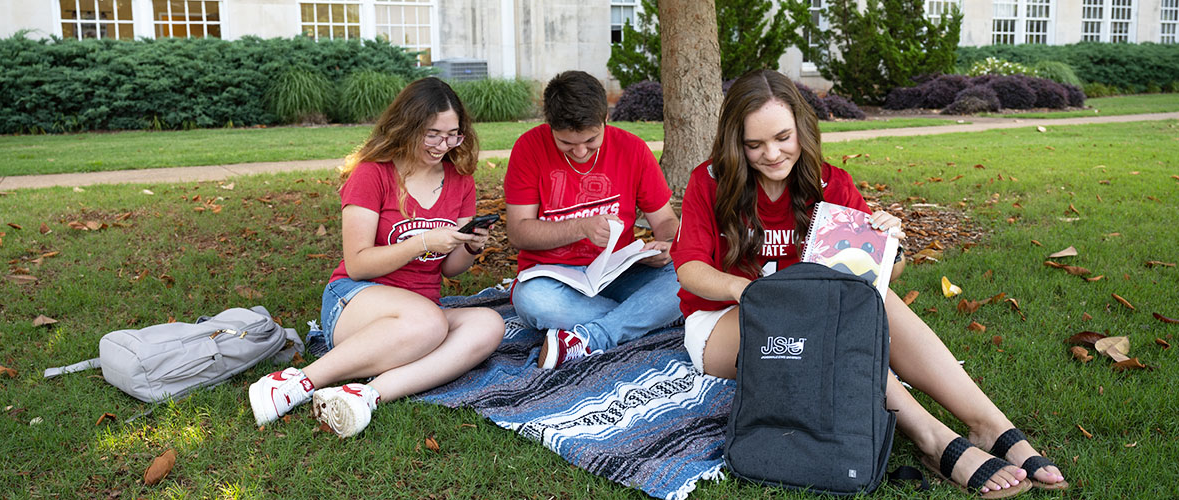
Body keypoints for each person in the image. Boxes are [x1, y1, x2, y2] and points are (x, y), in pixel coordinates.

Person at [671, 70, 1068, 497]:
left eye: (783, 137)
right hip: (729, 322)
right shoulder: (709, 183)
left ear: (802, 129)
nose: (772, 153)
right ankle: (932, 439)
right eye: (755, 144)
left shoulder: (830, 182)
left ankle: (990, 425)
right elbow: (689, 269)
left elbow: (878, 280)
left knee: (879, 302)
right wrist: (747, 291)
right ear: (736, 142)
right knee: (827, 324)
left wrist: (888, 247)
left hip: (818, 318)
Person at [248, 77, 506, 438]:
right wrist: (422, 242)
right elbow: (357, 263)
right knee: (430, 323)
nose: (443, 145)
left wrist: (471, 247)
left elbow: (451, 270)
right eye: (432, 134)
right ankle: (295, 382)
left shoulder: (460, 179)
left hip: (419, 313)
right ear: (408, 125)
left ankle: (364, 394)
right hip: (355, 300)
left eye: (453, 135)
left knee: (489, 325)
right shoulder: (373, 173)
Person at [504, 70, 682, 369]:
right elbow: (519, 233)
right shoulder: (528, 148)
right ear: (550, 127)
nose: (580, 151)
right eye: (566, 143)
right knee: (532, 301)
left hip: (619, 270)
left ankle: (591, 338)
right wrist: (581, 227)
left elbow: (665, 220)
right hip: (554, 279)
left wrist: (664, 244)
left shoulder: (633, 149)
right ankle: (648, 319)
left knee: (686, 273)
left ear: (605, 119)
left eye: (590, 140)